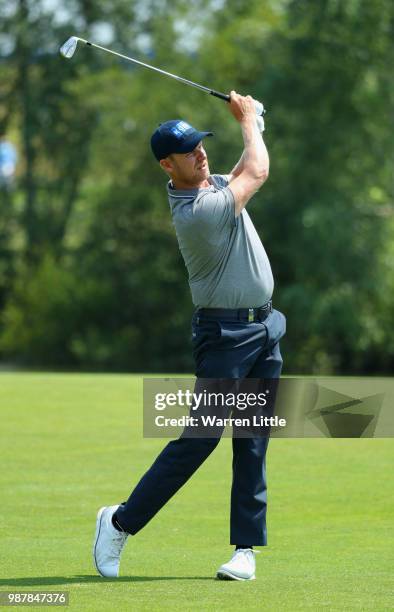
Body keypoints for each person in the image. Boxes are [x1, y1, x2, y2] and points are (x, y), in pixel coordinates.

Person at [93, 91, 286, 581]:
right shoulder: (197, 212)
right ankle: (118, 522)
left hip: (264, 328)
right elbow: (258, 172)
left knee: (253, 439)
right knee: (200, 440)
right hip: (225, 335)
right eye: (189, 151)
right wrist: (248, 121)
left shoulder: (214, 186)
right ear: (167, 165)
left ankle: (245, 550)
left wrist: (254, 125)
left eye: (201, 144)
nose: (201, 152)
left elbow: (246, 165)